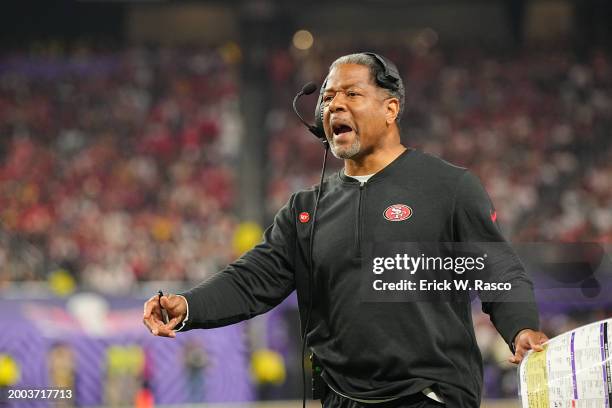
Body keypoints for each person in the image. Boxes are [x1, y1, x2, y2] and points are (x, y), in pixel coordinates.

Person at [143, 52, 548, 407]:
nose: (334, 105)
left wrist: (521, 328)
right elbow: (251, 280)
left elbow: (497, 270)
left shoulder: (449, 187)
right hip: (342, 398)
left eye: (351, 94)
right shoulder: (305, 209)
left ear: (391, 109)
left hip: (430, 395)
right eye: (327, 97)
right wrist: (188, 306)